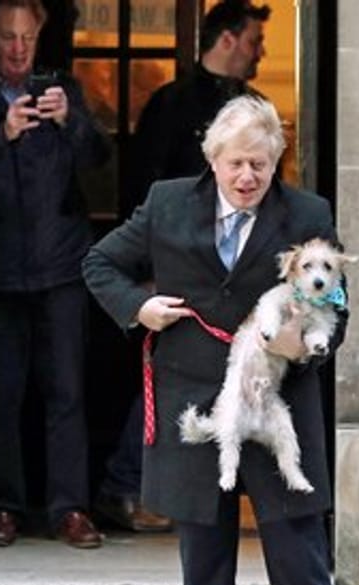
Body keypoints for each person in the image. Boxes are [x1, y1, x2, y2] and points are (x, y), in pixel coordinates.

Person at [84, 96, 359, 585]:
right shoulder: (168, 203)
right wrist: (138, 308)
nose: (247, 176)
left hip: (280, 404)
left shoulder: (307, 213)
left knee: (299, 553)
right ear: (213, 161)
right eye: (236, 164)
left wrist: (310, 344)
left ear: (276, 162)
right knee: (204, 554)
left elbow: (337, 301)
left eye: (259, 164)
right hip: (195, 398)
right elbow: (100, 263)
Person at [92, 0, 270, 534]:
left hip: (235, 270)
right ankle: (125, 485)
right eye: (255, 42)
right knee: (170, 378)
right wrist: (143, 278)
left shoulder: (252, 106)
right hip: (178, 273)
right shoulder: (172, 103)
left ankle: (194, 489)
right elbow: (143, 188)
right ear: (230, 39)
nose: (260, 53)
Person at [0, 0, 110, 549]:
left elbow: (101, 156)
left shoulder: (63, 89)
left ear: (39, 38)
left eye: (27, 38)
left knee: (67, 392)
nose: (18, 48)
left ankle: (70, 510)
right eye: (8, 37)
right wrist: (2, 133)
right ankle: (4, 508)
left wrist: (70, 120)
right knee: (3, 394)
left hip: (60, 267)